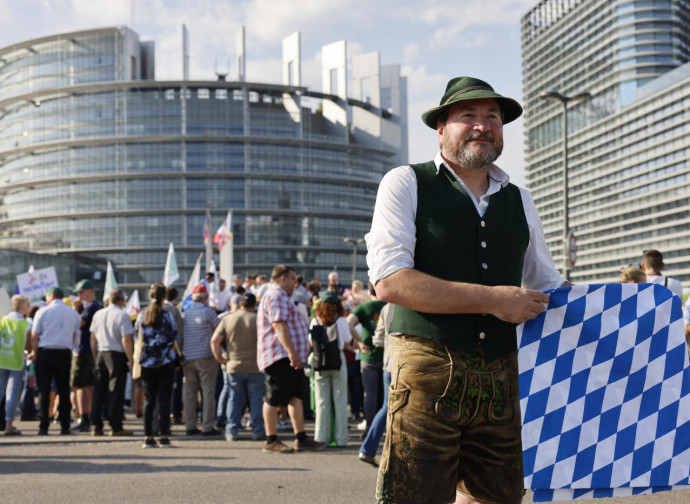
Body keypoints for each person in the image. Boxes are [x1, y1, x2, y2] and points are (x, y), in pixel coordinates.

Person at [367, 76, 566, 504]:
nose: (483, 125)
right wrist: (494, 299)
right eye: (468, 116)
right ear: (442, 127)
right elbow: (390, 280)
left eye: (492, 117)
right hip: (426, 372)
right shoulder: (406, 182)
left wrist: (634, 318)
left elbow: (548, 286)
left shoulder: (521, 199)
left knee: (496, 498)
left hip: (502, 375)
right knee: (413, 497)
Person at [257, 264, 323, 453]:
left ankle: (300, 437)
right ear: (283, 278)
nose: (296, 283)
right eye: (293, 278)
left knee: (295, 396)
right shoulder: (275, 296)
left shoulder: (282, 296)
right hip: (280, 355)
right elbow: (279, 326)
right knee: (273, 397)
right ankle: (271, 440)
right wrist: (292, 353)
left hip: (287, 355)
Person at [310, 291, 365, 447]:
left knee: (322, 402)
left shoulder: (314, 321)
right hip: (337, 360)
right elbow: (348, 341)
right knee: (340, 401)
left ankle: (321, 438)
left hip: (319, 361)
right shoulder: (341, 321)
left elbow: (311, 343)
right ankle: (341, 439)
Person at [210, 292, 265, 441]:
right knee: (256, 399)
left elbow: (214, 340)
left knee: (234, 398)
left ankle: (231, 431)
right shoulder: (259, 320)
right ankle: (258, 430)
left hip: (233, 364)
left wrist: (220, 358)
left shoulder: (229, 319)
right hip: (255, 365)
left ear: (241, 304)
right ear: (254, 305)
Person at [29, 287, 81, 435]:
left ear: (51, 296)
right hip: (64, 353)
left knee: (44, 391)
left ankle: (43, 426)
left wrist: (34, 352)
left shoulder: (42, 311)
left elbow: (34, 335)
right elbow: (74, 334)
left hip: (45, 351)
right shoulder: (72, 313)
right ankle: (65, 426)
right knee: (64, 390)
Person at [137, 283, 178, 448]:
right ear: (164, 297)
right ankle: (164, 435)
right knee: (164, 400)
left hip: (148, 361)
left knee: (149, 400)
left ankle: (148, 436)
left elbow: (138, 335)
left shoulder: (143, 315)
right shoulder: (168, 316)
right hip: (166, 360)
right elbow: (174, 335)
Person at [89, 289, 134, 437]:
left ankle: (96, 425)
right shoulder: (122, 315)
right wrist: (131, 359)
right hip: (116, 354)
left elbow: (92, 338)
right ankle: (115, 426)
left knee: (99, 391)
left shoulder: (98, 314)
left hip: (101, 352)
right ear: (122, 300)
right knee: (116, 392)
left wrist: (95, 356)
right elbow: (126, 339)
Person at [182, 284, 220, 436]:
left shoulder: (185, 313)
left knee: (190, 393)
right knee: (208, 392)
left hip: (188, 357)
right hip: (206, 357)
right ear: (205, 297)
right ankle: (207, 426)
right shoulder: (209, 313)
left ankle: (190, 425)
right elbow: (220, 332)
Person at [358, 302, 394, 466]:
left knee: (387, 408)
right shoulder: (414, 304)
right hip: (403, 366)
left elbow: (377, 339)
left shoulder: (387, 308)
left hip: (388, 364)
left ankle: (368, 449)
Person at [347, 282, 383, 434]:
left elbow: (348, 322)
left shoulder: (364, 307)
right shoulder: (389, 306)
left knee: (370, 393)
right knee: (385, 393)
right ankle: (384, 426)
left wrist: (360, 343)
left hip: (368, 356)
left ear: (369, 291)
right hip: (387, 356)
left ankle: (370, 425)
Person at [71, 279, 102, 432]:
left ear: (89, 291)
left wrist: (74, 309)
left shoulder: (90, 308)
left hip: (84, 351)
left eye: (81, 292)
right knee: (88, 385)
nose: (78, 295)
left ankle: (84, 417)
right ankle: (86, 416)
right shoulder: (95, 306)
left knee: (80, 385)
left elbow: (79, 324)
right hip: (90, 350)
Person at [0, 295, 31, 435]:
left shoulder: (2, 320)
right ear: (22, 307)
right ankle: (9, 425)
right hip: (17, 362)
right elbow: (29, 346)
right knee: (11, 394)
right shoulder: (25, 324)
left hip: (1, 360)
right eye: (28, 305)